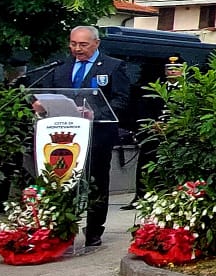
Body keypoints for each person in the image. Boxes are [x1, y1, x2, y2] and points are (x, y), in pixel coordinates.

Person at [30, 26, 131, 247]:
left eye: (83, 44)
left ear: (96, 43)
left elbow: (121, 101)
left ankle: (94, 229)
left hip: (98, 134)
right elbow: (48, 94)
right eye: (73, 43)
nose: (77, 49)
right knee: (60, 178)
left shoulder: (114, 67)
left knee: (96, 181)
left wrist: (96, 113)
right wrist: (39, 104)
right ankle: (60, 226)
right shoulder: (60, 67)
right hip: (62, 135)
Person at [123, 55, 186, 210]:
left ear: (183, 70)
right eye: (169, 69)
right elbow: (142, 109)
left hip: (176, 136)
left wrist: (173, 125)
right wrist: (152, 123)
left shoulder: (188, 90)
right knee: (146, 164)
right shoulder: (155, 88)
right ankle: (141, 196)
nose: (172, 72)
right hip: (154, 135)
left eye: (176, 68)